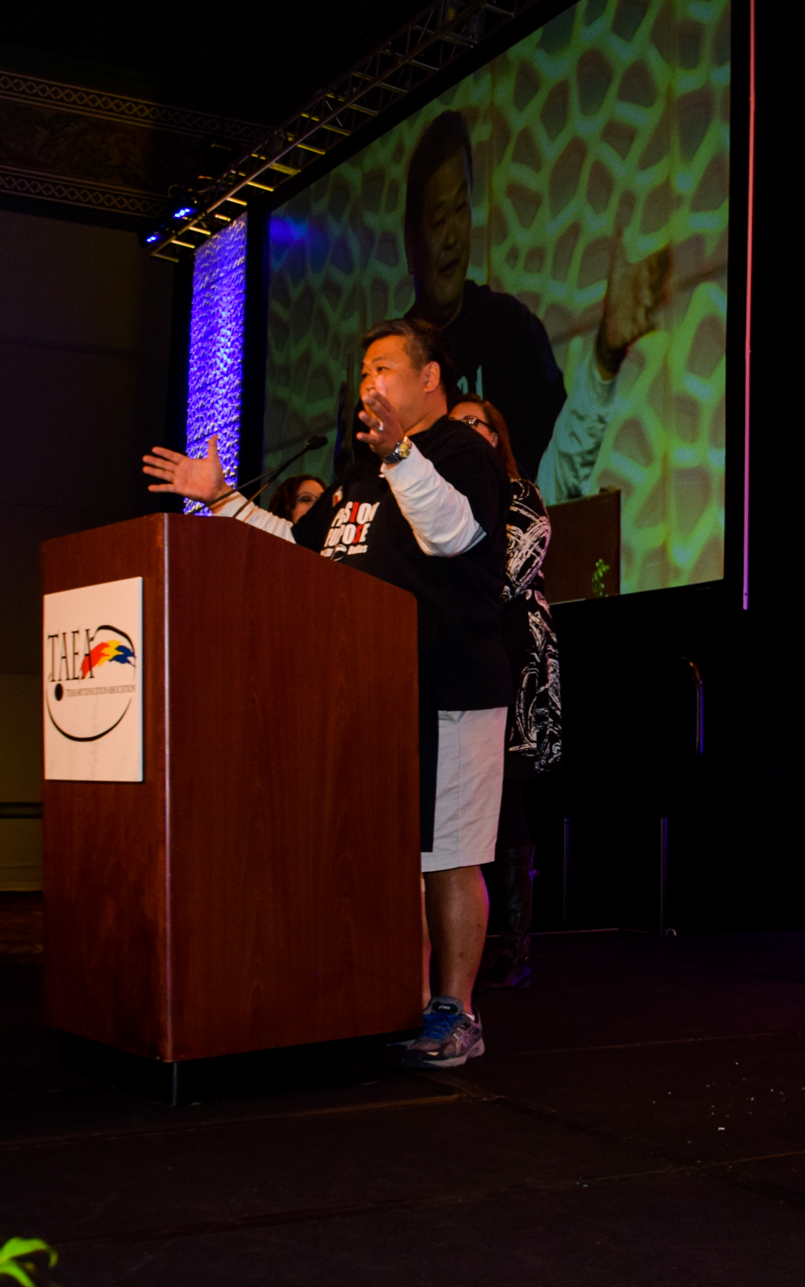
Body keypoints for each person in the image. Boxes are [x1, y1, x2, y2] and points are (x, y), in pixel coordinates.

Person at [142, 318, 511, 1069]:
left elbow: (451, 537)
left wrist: (400, 454)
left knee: (447, 854)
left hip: (449, 688)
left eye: (384, 368)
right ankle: (396, 1001)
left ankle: (456, 1011)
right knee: (384, 857)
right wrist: (223, 500)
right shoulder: (362, 469)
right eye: (364, 371)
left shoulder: (461, 452)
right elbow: (304, 553)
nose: (368, 383)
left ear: (430, 378)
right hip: (369, 692)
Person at [398, 108, 673, 503]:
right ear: (411, 243)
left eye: (461, 210)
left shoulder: (511, 328)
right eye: (439, 220)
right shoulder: (394, 359)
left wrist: (606, 356)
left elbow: (557, 472)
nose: (453, 237)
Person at [449, 393, 561, 989]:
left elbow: (510, 573)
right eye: (457, 424)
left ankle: (515, 949)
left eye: (478, 423)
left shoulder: (520, 495)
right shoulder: (441, 500)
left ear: (497, 437)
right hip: (461, 651)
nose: (468, 430)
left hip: (512, 650)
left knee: (506, 792)